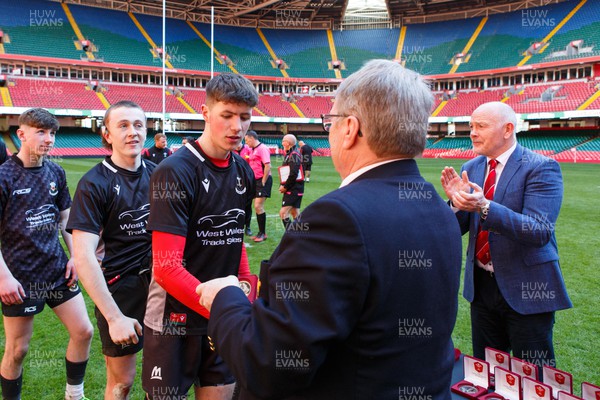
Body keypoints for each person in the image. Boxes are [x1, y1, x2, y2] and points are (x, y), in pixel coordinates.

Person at [197, 60, 462, 399]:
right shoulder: (440, 208)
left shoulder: (338, 218)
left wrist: (225, 298)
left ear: (350, 128)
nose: (330, 130)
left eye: (331, 121)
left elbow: (269, 364)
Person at [142, 72, 257, 400]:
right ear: (206, 113)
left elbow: (236, 239)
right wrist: (226, 308)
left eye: (245, 117)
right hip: (173, 320)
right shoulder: (174, 172)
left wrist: (245, 287)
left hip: (222, 317)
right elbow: (165, 268)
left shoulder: (243, 172)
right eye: (227, 116)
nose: (237, 127)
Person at [440, 101, 572, 369]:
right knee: (486, 372)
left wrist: (484, 205)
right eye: (471, 126)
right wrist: (455, 203)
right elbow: (458, 228)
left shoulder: (541, 167)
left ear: (508, 129)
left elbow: (539, 230)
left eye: (481, 126)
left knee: (534, 377)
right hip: (482, 288)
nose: (472, 132)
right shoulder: (473, 166)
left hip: (528, 287)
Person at [0, 108, 93, 400]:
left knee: (84, 331)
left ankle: (74, 394)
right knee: (18, 350)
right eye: (41, 131)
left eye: (52, 132)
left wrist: (75, 256)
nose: (49, 138)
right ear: (22, 134)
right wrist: (3, 278)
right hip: (20, 277)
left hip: (56, 270)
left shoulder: (56, 171)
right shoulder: (4, 176)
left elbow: (66, 220)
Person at [67, 101, 155, 399]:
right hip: (119, 291)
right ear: (107, 134)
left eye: (138, 125)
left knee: (164, 375)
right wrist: (114, 317)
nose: (133, 132)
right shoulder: (94, 184)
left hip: (160, 286)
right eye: (123, 125)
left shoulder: (160, 176)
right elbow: (83, 256)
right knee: (122, 382)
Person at [244, 130, 272, 242]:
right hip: (255, 180)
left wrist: (263, 181)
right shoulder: (252, 149)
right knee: (254, 205)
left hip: (262, 180)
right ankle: (260, 233)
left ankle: (262, 233)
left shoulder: (262, 148)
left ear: (251, 138)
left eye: (246, 140)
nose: (246, 143)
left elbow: (267, 166)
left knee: (258, 206)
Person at [278, 134, 304, 230]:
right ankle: (300, 236)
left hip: (293, 189)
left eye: (283, 141)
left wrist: (285, 187)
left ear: (288, 143)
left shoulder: (294, 155)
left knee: (283, 213)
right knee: (295, 213)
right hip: (296, 188)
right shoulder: (291, 154)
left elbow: (293, 173)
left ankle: (291, 237)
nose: (282, 143)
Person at [234, 140, 253, 235]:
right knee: (235, 204)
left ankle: (248, 226)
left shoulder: (248, 150)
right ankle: (236, 225)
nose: (236, 146)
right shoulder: (231, 150)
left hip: (247, 180)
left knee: (248, 204)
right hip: (234, 180)